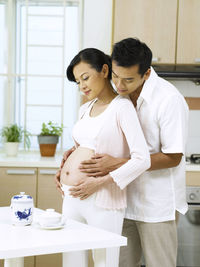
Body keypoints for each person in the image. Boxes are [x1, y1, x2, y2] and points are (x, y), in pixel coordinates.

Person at [56, 38, 189, 267]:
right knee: (122, 263)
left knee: (160, 263)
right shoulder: (115, 96)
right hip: (123, 198)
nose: (119, 84)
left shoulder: (169, 100)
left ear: (146, 74)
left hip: (155, 202)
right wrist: (76, 154)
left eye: (127, 79)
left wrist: (116, 164)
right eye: (115, 76)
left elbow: (173, 156)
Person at [59, 47, 150, 267]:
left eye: (85, 78)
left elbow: (142, 159)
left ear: (105, 70)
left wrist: (98, 182)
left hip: (103, 199)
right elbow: (83, 147)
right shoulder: (85, 108)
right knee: (71, 261)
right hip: (71, 197)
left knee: (104, 262)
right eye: (77, 82)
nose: (82, 86)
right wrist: (64, 167)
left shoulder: (122, 107)